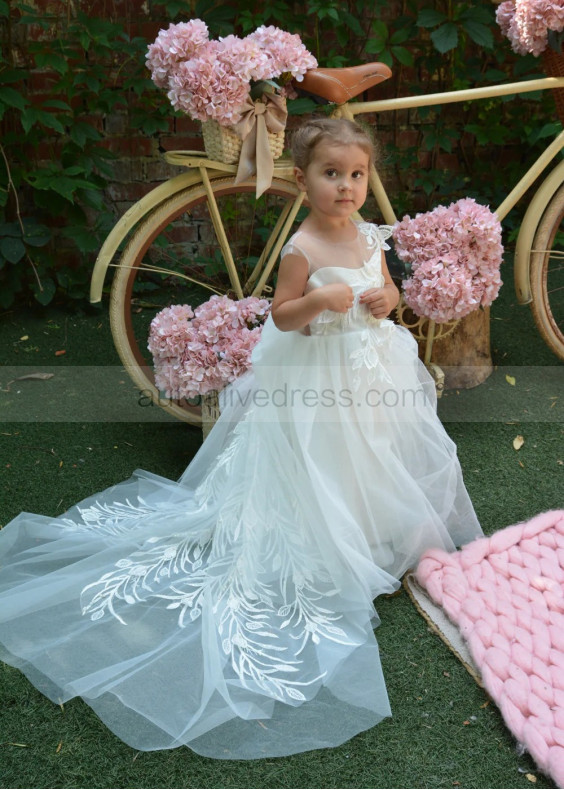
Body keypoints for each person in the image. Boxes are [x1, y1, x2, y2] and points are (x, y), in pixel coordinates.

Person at [0, 118, 482, 761]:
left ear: (370, 179)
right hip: (315, 373)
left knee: (371, 449)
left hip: (370, 365)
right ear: (302, 179)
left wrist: (382, 299)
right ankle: (324, 535)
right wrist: (324, 300)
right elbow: (282, 313)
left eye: (356, 175)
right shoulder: (303, 246)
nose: (345, 186)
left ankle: (367, 530)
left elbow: (389, 289)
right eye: (330, 174)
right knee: (318, 454)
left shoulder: (371, 233)